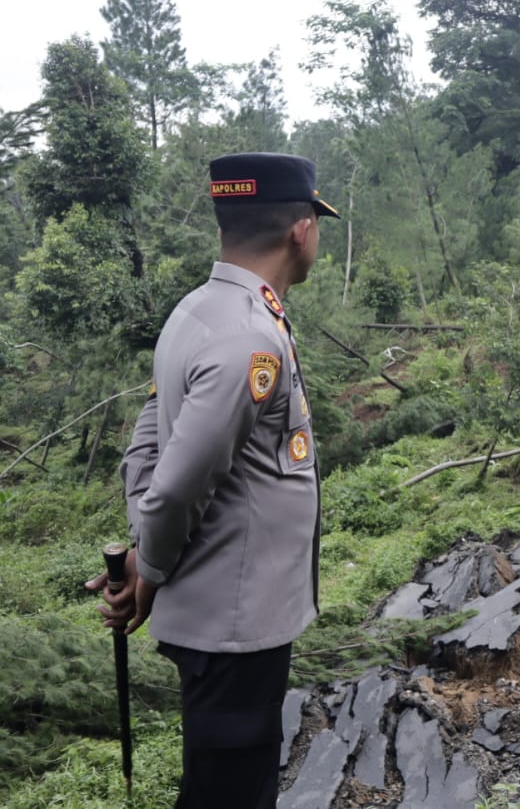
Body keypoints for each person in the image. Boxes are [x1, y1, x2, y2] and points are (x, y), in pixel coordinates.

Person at [85, 152, 338, 807]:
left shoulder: (200, 312)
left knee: (222, 782)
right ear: (301, 229)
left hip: (227, 614)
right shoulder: (246, 337)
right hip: (236, 622)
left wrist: (145, 547)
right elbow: (174, 484)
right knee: (231, 791)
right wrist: (151, 566)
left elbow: (146, 440)